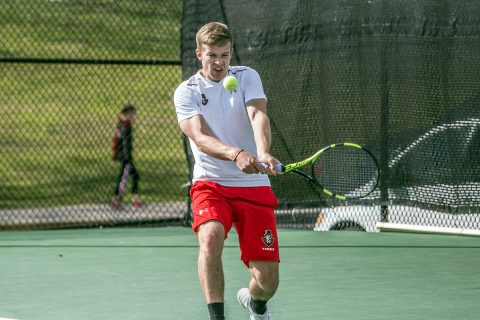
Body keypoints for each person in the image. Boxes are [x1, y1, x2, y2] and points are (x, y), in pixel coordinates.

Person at [174, 22, 281, 320]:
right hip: (211, 184)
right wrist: (236, 154)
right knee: (210, 238)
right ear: (199, 54)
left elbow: (258, 114)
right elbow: (199, 136)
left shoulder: (247, 77)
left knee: (267, 281)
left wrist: (262, 152)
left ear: (231, 52)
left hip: (254, 186)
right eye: (212, 55)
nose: (219, 62)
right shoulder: (187, 92)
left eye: (224, 55)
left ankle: (256, 303)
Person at [111, 103, 142, 210]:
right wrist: (126, 157)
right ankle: (116, 200)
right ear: (128, 114)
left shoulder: (123, 124)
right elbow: (123, 143)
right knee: (123, 179)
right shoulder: (125, 126)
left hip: (126, 156)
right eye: (133, 115)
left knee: (134, 176)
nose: (134, 117)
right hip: (126, 158)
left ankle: (135, 199)